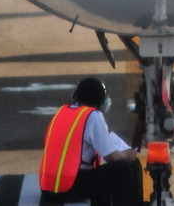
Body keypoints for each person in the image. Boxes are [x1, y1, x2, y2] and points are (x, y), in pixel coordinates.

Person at [39, 77, 138, 205]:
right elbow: (112, 157)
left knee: (100, 177)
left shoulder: (61, 112)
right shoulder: (92, 116)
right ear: (99, 99)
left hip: (48, 186)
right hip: (70, 186)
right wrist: (127, 155)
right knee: (123, 169)